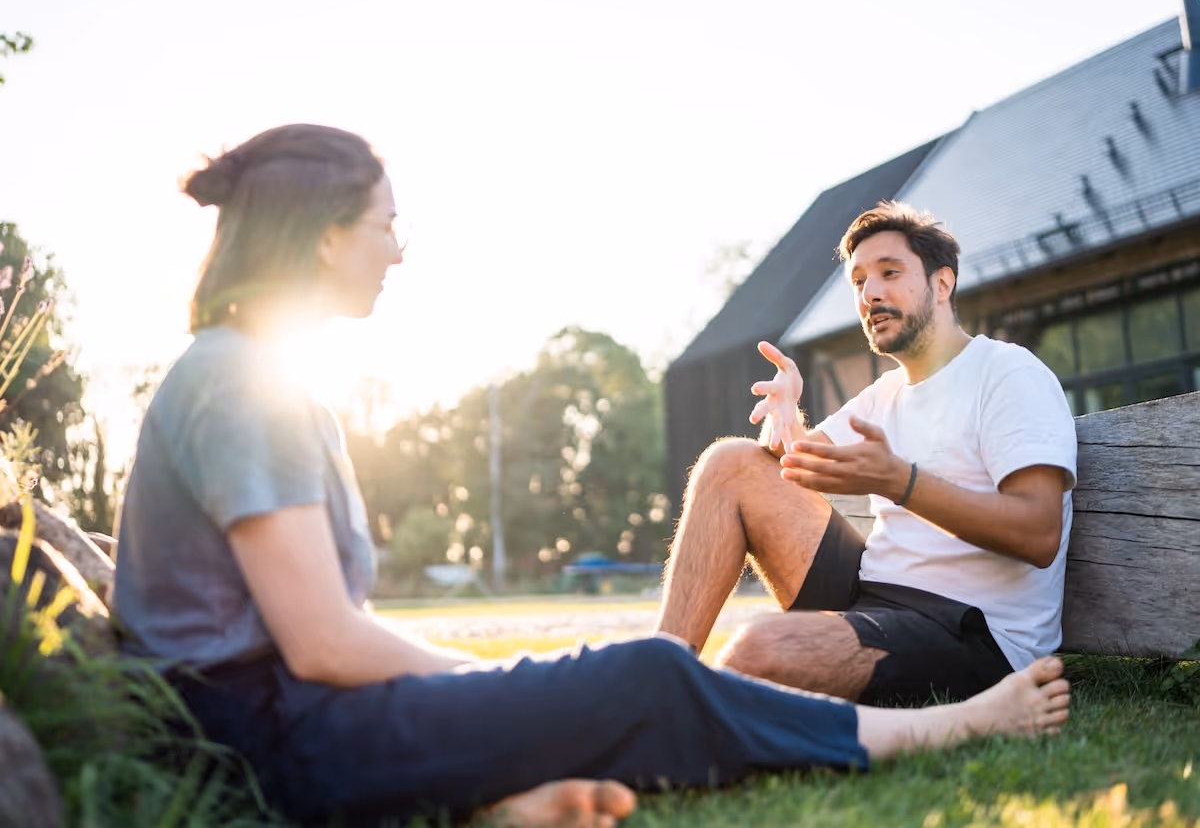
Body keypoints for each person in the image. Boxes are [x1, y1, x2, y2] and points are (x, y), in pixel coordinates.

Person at [111, 127, 1071, 828]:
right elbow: (321, 643)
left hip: (280, 719)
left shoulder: (246, 375)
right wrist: (493, 683)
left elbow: (1029, 529)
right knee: (654, 655)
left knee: (645, 677)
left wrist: (497, 694)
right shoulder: (248, 384)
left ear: (940, 283)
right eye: (385, 226)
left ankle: (538, 781)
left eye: (889, 275)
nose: (398, 249)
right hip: (269, 735)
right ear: (325, 236)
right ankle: (900, 725)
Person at [654, 201, 1079, 707]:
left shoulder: (1008, 373)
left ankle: (673, 719)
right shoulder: (885, 393)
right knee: (730, 464)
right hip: (874, 595)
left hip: (974, 632)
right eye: (858, 282)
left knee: (758, 650)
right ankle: (652, 678)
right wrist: (788, 417)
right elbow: (802, 464)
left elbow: (1039, 533)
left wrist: (901, 482)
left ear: (942, 285)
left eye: (890, 273)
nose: (870, 293)